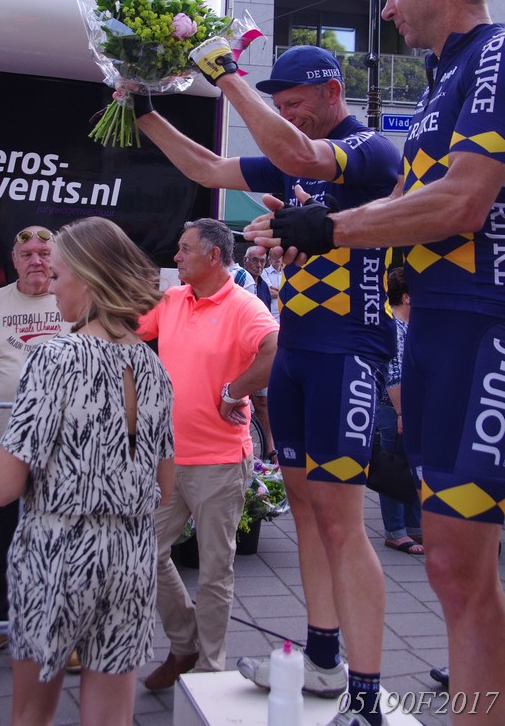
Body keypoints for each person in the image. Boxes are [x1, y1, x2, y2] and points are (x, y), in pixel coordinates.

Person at [246, 0, 505, 723]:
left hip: (483, 329)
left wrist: (327, 228)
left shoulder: (494, 54)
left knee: (460, 570)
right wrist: (304, 232)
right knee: (451, 571)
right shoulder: (439, 82)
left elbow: (462, 201)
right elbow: (402, 208)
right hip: (432, 332)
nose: (385, 7)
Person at [132, 44, 400, 726]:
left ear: (333, 92)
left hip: (348, 351)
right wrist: (144, 113)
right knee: (307, 513)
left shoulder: (367, 149)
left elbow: (300, 154)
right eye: (276, 105)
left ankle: (367, 697)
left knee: (342, 524)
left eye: (294, 104)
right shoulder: (290, 156)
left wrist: (223, 71)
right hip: (299, 352)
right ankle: (322, 659)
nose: (284, 116)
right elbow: (206, 168)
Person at [0, 217, 174, 726]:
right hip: (132, 555)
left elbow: (2, 488)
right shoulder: (154, 366)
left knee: (31, 715)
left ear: (88, 279)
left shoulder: (53, 358)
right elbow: (165, 487)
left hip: (57, 551)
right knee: (111, 717)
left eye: (58, 275)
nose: (51, 287)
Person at [139, 218, 277, 690]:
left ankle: (208, 672)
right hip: (169, 459)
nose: (175, 257)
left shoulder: (243, 305)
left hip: (220, 461)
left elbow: (276, 348)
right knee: (144, 550)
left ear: (213, 256)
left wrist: (233, 391)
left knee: (215, 571)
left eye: (184, 249)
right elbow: (126, 328)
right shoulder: (173, 299)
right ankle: (185, 645)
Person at [0, 225, 76, 667]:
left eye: (45, 253)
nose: (36, 261)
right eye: (27, 254)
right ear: (14, 260)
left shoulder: (71, 299)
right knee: (1, 541)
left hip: (61, 450)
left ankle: (63, 630)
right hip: (0, 446)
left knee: (60, 540)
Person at [378, 267, 423, 556]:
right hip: (394, 409)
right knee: (394, 467)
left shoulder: (408, 326)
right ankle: (395, 531)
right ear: (407, 297)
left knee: (412, 465)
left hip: (407, 408)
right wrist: (401, 414)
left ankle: (414, 525)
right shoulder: (394, 327)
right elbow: (393, 376)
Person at [243, 245, 277, 462]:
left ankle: (269, 449)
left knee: (263, 402)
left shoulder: (263, 286)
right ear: (245, 261)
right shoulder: (240, 280)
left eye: (262, 261)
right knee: (243, 401)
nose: (258, 265)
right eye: (254, 260)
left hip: (259, 351)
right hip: (243, 351)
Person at [261, 245, 284, 321]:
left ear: (282, 258)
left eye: (279, 256)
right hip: (271, 315)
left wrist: (278, 291)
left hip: (284, 314)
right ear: (270, 259)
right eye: (275, 256)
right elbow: (269, 293)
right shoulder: (264, 272)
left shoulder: (286, 273)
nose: (277, 258)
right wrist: (285, 292)